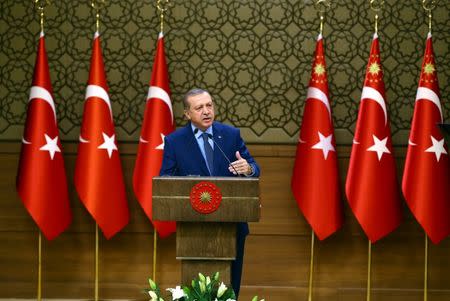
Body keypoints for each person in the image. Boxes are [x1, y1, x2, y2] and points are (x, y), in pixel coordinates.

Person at [160, 88, 260, 298]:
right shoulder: (174, 141)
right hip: (194, 227)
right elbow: (166, 180)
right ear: (187, 113)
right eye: (199, 108)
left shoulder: (231, 135)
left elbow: (252, 166)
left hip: (232, 225)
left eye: (209, 105)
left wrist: (248, 169)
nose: (206, 111)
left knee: (230, 285)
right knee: (196, 285)